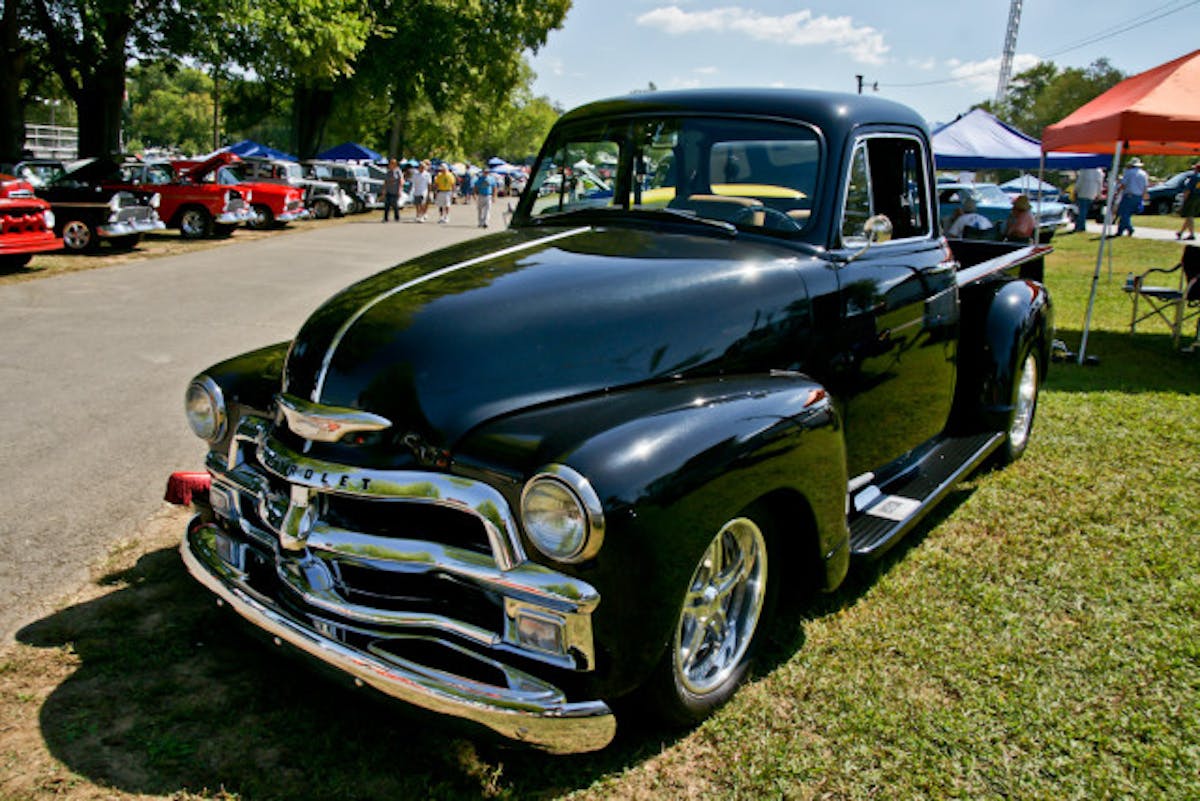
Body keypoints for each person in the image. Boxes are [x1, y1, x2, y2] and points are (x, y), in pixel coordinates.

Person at [1115, 156, 1149, 237]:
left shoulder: (1129, 172)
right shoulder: (1144, 174)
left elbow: (1123, 184)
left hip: (1129, 195)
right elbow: (1145, 186)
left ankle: (1129, 228)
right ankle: (1120, 231)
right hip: (1138, 196)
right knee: (1127, 214)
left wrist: (1117, 191)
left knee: (1124, 214)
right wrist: (1144, 195)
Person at [1073, 167, 1103, 233]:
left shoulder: (1084, 170)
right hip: (1092, 194)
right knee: (1085, 211)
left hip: (1083, 192)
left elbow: (1079, 182)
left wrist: (1075, 191)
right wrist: (1099, 194)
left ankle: (1080, 226)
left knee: (1081, 211)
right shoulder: (1099, 172)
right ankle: (1081, 226)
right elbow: (1100, 184)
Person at [1176, 162, 1200, 241]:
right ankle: (1181, 232)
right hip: (1198, 197)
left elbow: (1187, 190)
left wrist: (1184, 199)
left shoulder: (1194, 177)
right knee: (1190, 215)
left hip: (1191, 197)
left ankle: (1192, 234)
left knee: (1189, 216)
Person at [381, 157, 403, 222]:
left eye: (393, 163)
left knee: (395, 205)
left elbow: (401, 181)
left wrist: (400, 190)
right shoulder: (388, 172)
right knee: (387, 204)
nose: (391, 165)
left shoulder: (398, 171)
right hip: (388, 190)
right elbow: (385, 181)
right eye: (390, 163)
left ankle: (397, 217)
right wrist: (384, 190)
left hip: (395, 190)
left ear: (395, 164)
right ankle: (385, 218)